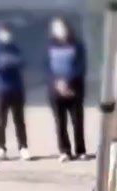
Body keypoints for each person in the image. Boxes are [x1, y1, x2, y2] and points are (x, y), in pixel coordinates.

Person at [0, 21, 30, 162]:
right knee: (1, 120)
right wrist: (11, 63)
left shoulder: (15, 48)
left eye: (7, 31)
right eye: (2, 31)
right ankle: (0, 148)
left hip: (17, 88)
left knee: (19, 121)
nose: (6, 34)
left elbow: (22, 63)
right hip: (0, 89)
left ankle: (23, 147)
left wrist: (9, 63)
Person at [46, 16, 87, 161]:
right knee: (60, 122)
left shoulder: (77, 45)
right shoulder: (49, 46)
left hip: (74, 88)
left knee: (77, 121)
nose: (60, 31)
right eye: (57, 28)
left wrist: (68, 82)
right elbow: (45, 67)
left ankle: (80, 150)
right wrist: (57, 82)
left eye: (62, 27)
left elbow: (81, 66)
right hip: (55, 90)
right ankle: (65, 150)